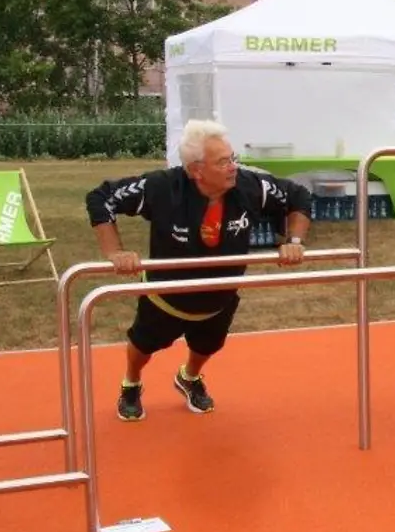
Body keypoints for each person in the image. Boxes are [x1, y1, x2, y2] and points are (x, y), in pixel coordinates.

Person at [84, 119, 313, 421]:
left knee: (209, 346)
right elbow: (101, 198)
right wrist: (115, 252)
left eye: (232, 158)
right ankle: (131, 382)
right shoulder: (162, 187)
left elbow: (299, 196)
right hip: (166, 298)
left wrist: (293, 241)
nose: (233, 167)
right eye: (222, 162)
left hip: (219, 298)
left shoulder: (250, 186)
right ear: (196, 170)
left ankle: (189, 377)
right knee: (143, 345)